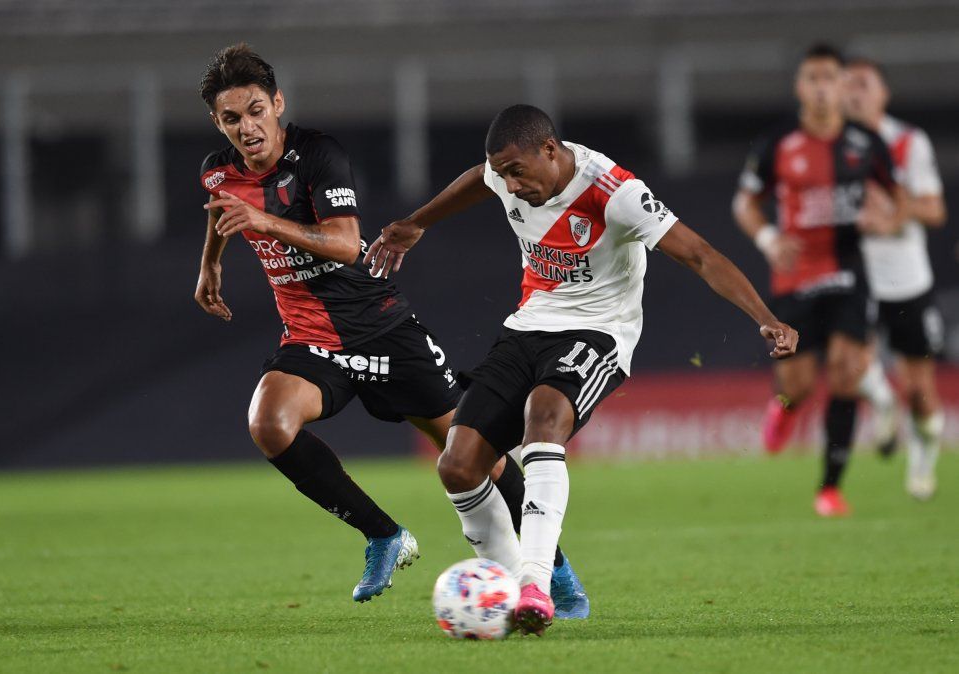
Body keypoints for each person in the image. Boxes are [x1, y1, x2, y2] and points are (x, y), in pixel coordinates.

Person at [367, 104, 797, 635]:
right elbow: (477, 181)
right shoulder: (504, 173)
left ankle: (535, 585)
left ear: (551, 150)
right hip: (527, 327)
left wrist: (766, 319)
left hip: (598, 333)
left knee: (543, 415)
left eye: (517, 171)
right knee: (457, 465)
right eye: (502, 173)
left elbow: (700, 255)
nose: (509, 184)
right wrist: (416, 222)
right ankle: (509, 590)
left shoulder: (615, 192)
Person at [193, 44, 588, 613]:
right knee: (269, 423)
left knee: (478, 455)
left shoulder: (319, 156)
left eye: (256, 110)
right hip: (310, 337)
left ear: (277, 103)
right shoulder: (217, 170)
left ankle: (557, 572)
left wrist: (263, 221)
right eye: (231, 118)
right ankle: (383, 534)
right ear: (218, 122)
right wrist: (211, 263)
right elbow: (220, 204)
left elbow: (348, 244)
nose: (247, 127)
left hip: (382, 330)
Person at [733, 44, 907, 517]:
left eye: (830, 77)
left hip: (848, 271)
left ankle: (829, 488)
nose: (823, 87)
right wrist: (769, 238)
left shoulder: (866, 144)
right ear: (800, 87)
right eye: (813, 78)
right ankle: (785, 405)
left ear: (842, 85)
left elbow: (899, 200)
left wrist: (886, 217)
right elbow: (745, 204)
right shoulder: (777, 145)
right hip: (795, 276)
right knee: (800, 383)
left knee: (848, 371)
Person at [845, 56, 948, 500]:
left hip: (906, 279)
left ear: (884, 93)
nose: (855, 93)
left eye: (864, 84)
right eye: (848, 85)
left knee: (921, 392)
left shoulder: (908, 142)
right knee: (848, 363)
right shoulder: (834, 147)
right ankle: (882, 403)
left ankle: (923, 457)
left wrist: (895, 215)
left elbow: (935, 210)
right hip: (857, 276)